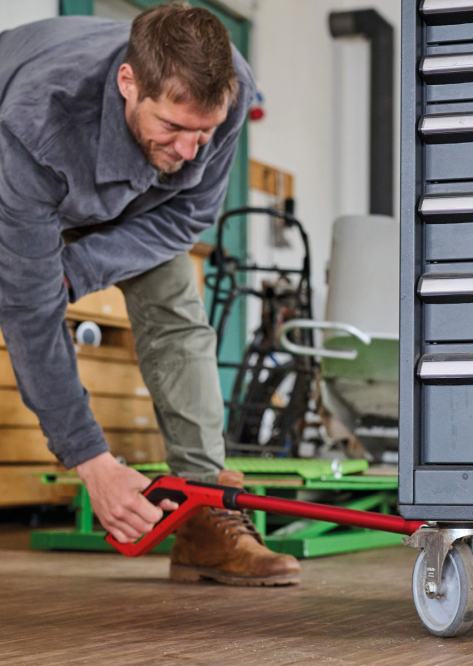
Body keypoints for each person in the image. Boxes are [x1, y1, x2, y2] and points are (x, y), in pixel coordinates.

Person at [0, 2, 301, 586]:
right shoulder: (37, 123)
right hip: (22, 171)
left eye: (203, 132)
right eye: (173, 127)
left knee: (177, 314)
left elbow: (186, 217)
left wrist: (78, 269)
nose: (190, 151)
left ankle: (203, 514)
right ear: (128, 83)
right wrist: (92, 461)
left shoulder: (228, 88)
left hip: (130, 193)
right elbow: (30, 311)